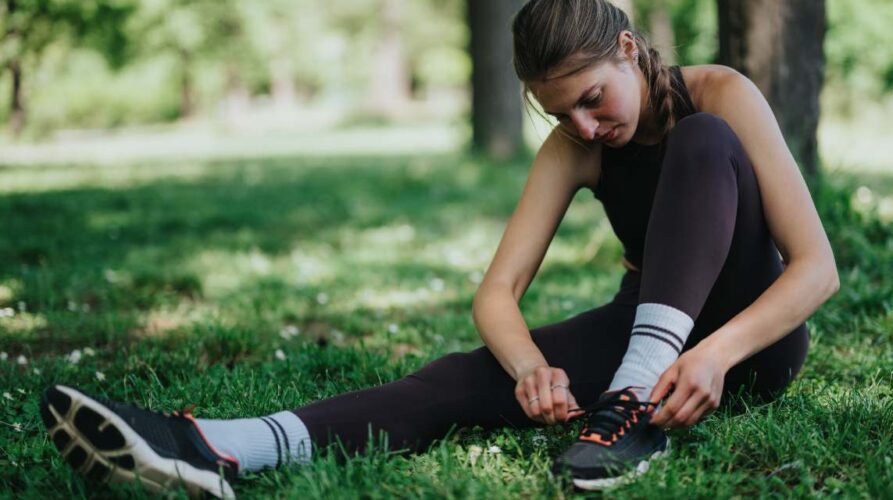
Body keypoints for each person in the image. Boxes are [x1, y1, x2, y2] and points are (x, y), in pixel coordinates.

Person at [38, 0, 839, 496]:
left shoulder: (724, 92)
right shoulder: (576, 147)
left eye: (593, 98)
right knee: (458, 377)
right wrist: (531, 369)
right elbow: (498, 293)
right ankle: (217, 446)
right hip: (648, 337)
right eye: (563, 114)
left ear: (628, 49)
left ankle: (629, 409)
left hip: (750, 344)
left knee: (702, 140)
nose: (586, 127)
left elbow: (816, 270)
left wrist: (716, 353)